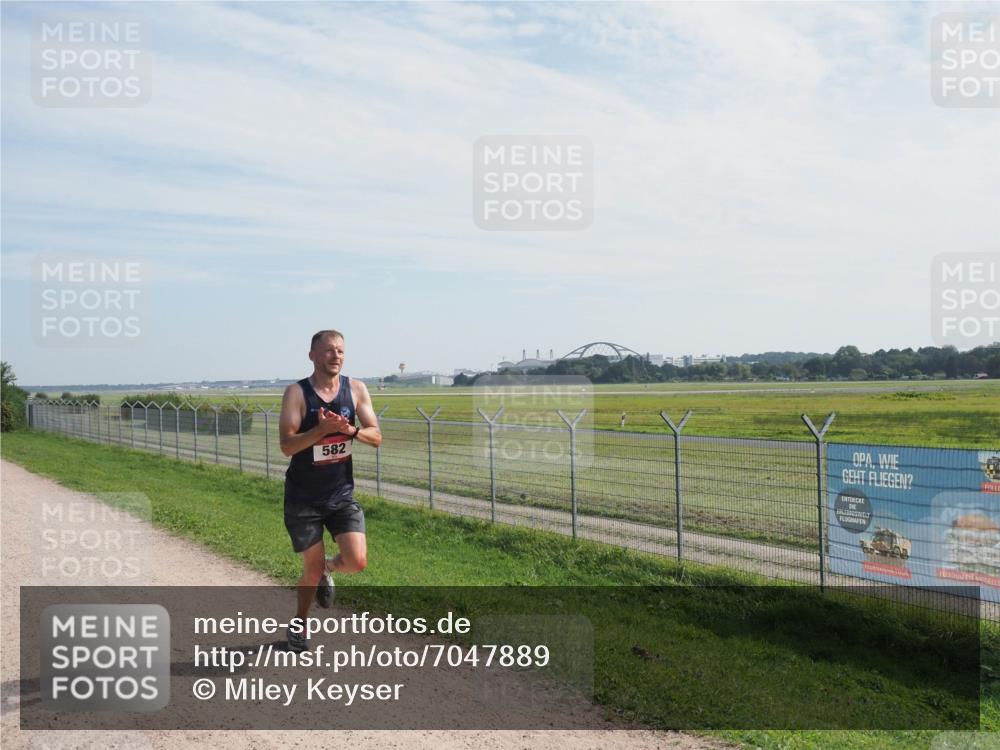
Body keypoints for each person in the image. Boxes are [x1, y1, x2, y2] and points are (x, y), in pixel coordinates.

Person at [279, 329, 382, 652]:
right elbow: (287, 445)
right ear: (312, 355)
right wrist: (321, 430)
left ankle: (329, 569)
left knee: (357, 561)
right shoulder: (297, 393)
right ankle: (300, 623)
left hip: (340, 494)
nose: (335, 355)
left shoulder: (356, 389)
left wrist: (348, 430)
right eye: (328, 351)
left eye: (340, 350)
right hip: (303, 497)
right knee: (309, 569)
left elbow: (376, 436)